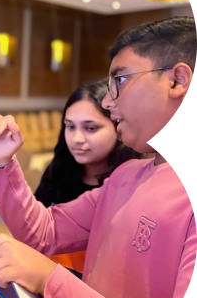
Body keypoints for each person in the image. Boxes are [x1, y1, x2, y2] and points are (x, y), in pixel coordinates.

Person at [0, 17, 196, 298]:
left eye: (120, 80)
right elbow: (44, 232)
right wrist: (1, 164)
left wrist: (48, 279)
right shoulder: (126, 176)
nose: (108, 102)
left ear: (177, 80)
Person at [35, 78, 143, 276]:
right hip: (45, 282)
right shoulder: (57, 172)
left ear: (119, 127)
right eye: (70, 127)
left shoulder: (132, 183)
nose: (77, 139)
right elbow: (33, 230)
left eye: (91, 128)